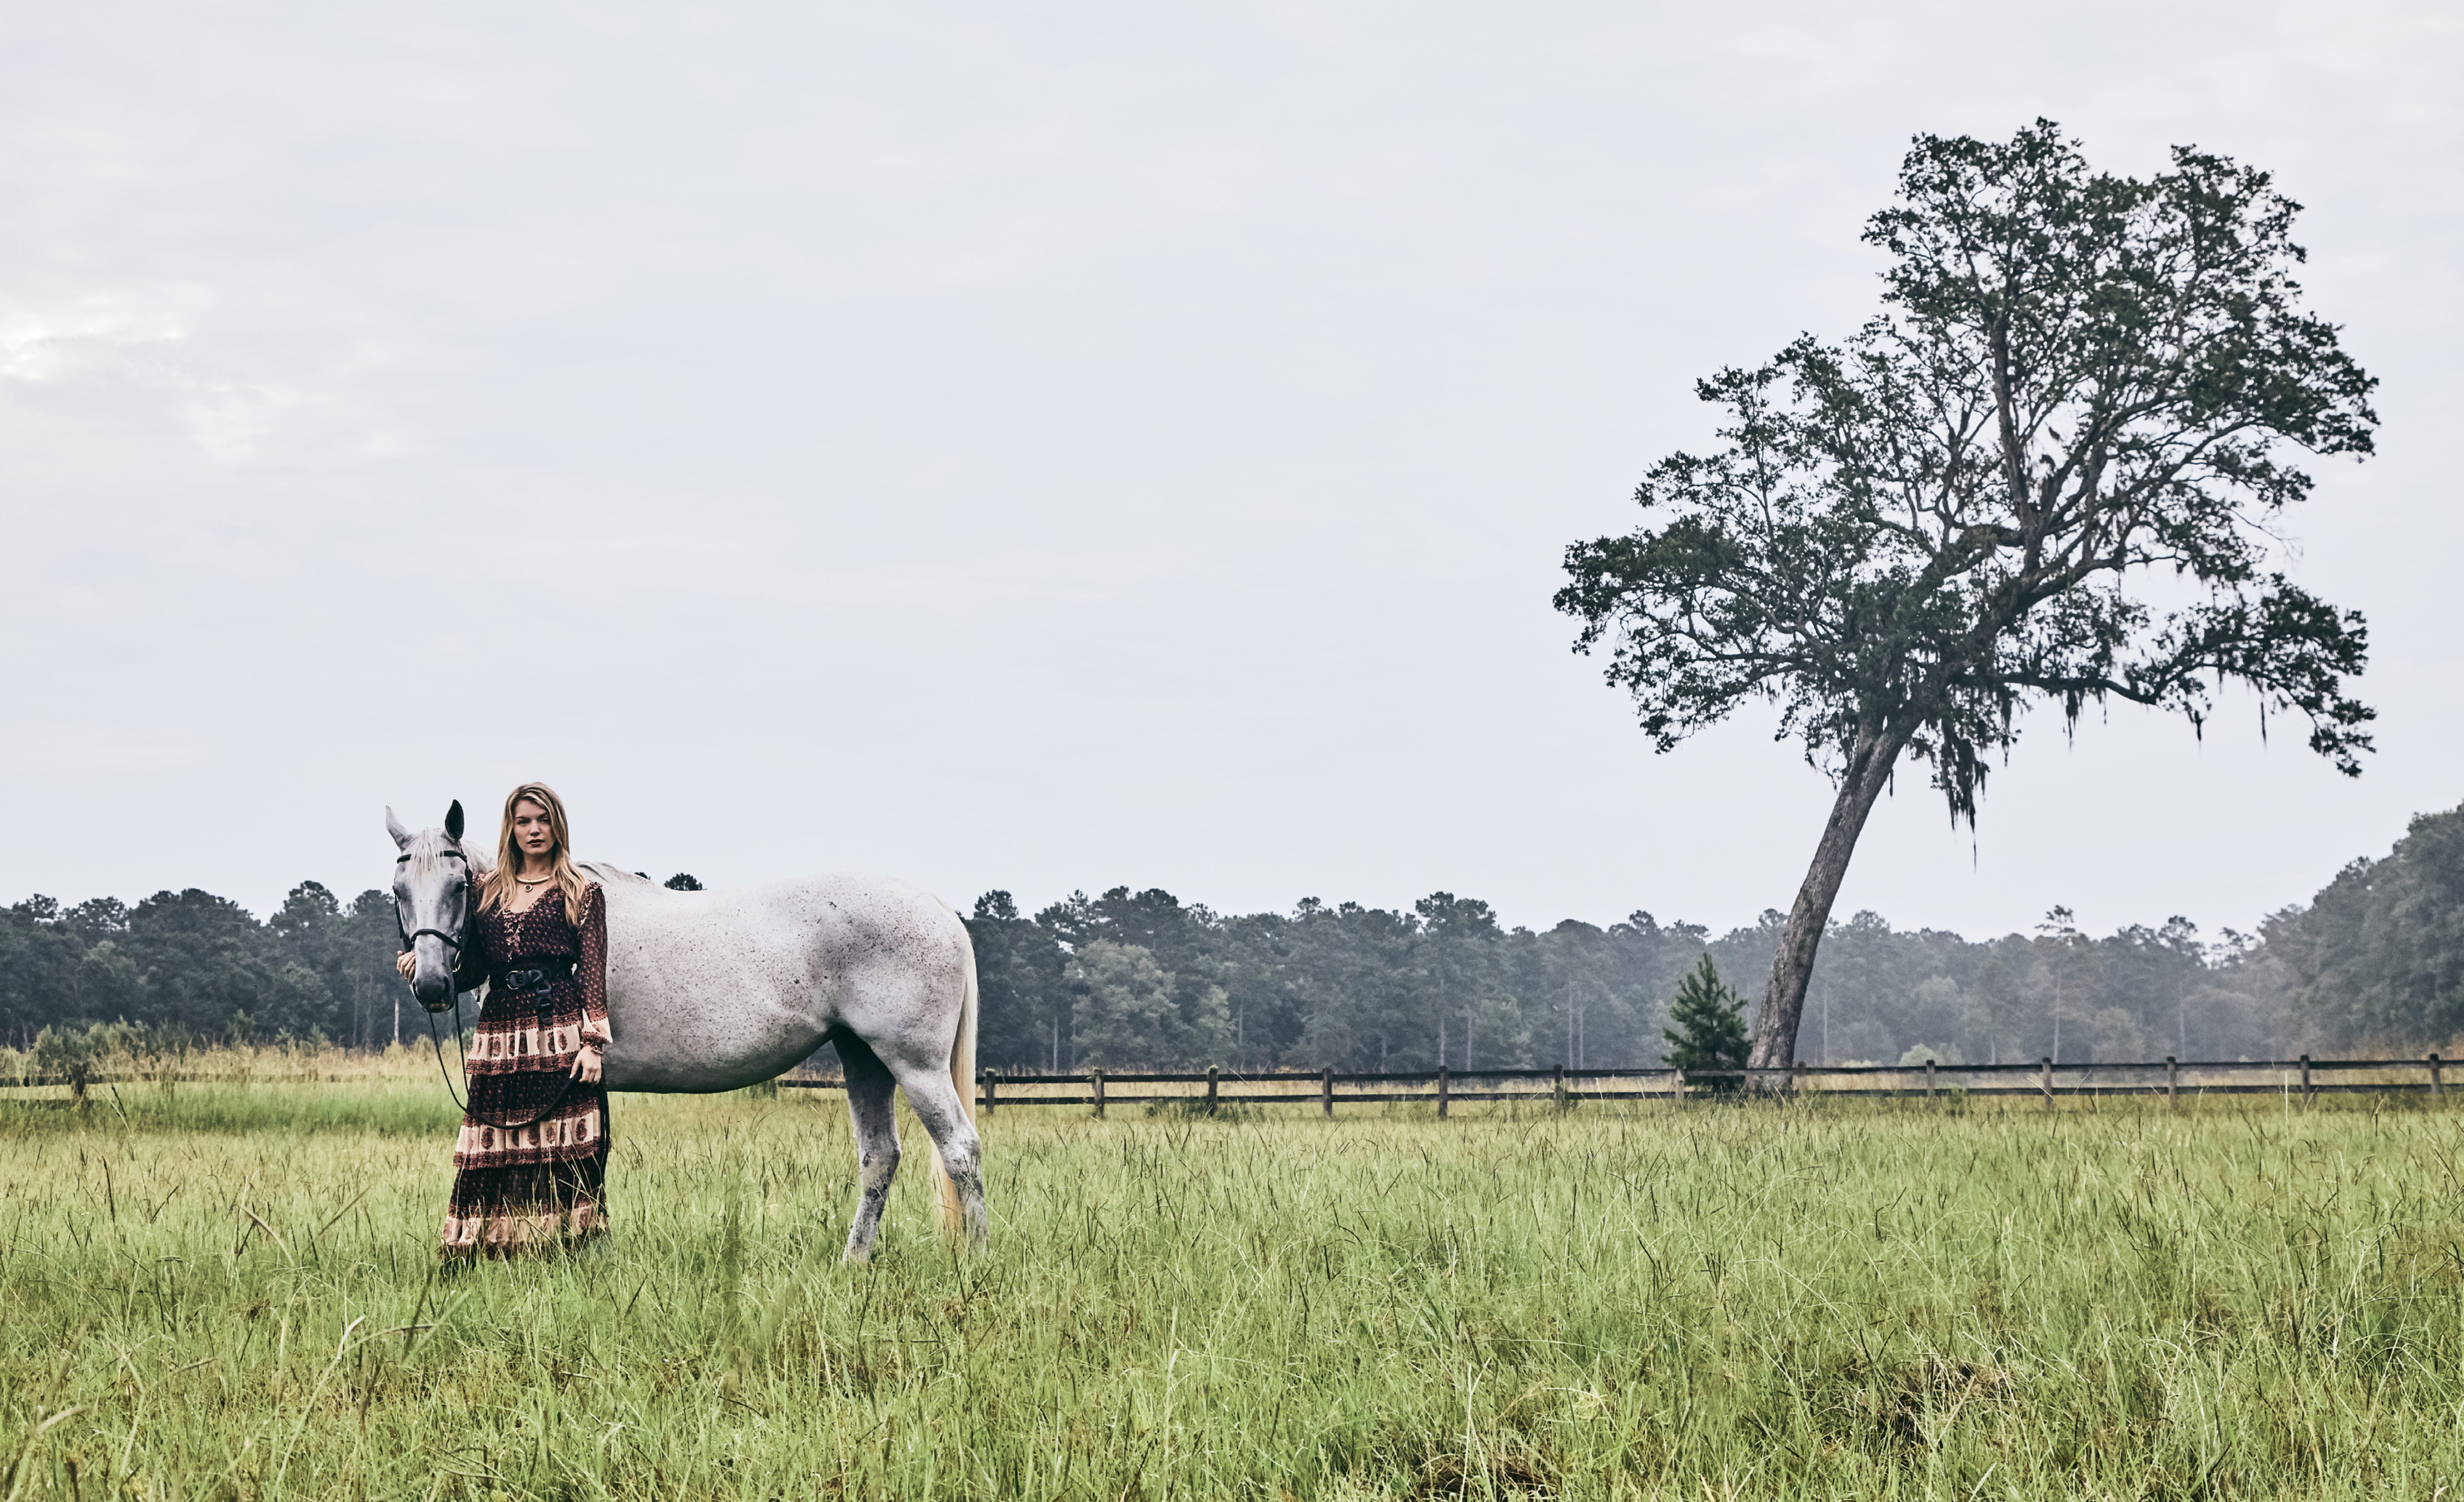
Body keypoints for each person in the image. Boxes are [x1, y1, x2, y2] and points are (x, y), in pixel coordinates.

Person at [396, 781, 612, 1257]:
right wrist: (424, 964)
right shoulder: (488, 890)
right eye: (523, 821)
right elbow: (476, 968)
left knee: (561, 1146)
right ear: (510, 829)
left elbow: (592, 972)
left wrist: (593, 1043)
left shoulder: (582, 890)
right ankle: (484, 1248)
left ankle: (562, 1250)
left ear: (557, 825)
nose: (534, 830)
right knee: (493, 1144)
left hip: (558, 1025)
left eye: (542, 820)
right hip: (498, 1035)